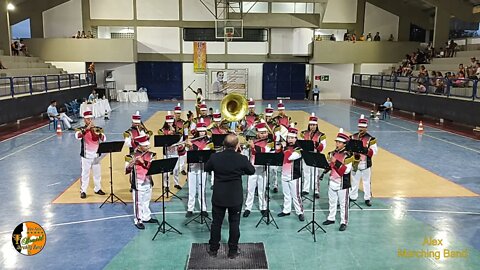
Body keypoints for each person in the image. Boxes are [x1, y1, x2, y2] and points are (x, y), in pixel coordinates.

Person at [205, 134, 255, 259]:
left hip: (219, 196)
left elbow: (207, 168)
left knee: (216, 223)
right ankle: (232, 251)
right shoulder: (241, 158)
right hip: (235, 197)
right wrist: (240, 170)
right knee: (234, 223)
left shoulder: (215, 157)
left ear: (223, 144)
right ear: (237, 145)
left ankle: (213, 249)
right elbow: (251, 171)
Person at [125, 132, 158, 229]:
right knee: (138, 202)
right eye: (145, 145)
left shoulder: (152, 155)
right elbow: (126, 170)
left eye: (147, 145)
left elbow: (153, 166)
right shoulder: (130, 156)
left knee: (146, 200)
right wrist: (131, 164)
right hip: (138, 183)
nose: (147, 146)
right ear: (139, 146)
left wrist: (143, 162)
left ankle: (146, 217)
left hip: (148, 181)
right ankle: (138, 220)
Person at [322, 128, 353, 231]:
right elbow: (330, 165)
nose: (337, 143)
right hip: (332, 181)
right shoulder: (333, 153)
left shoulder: (348, 155)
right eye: (337, 141)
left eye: (339, 142)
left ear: (344, 144)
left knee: (343, 204)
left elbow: (347, 171)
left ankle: (344, 222)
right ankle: (331, 218)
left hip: (342, 183)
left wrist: (335, 162)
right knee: (332, 201)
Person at [243, 121, 275, 218]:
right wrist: (246, 147)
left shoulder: (269, 143)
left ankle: (263, 207)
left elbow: (264, 151)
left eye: (265, 132)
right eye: (262, 133)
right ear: (257, 133)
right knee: (250, 189)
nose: (264, 134)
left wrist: (253, 146)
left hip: (262, 169)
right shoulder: (254, 141)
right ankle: (248, 207)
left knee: (262, 190)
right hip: (252, 169)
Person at [74, 110, 106, 199]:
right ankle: (83, 191)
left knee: (97, 173)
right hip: (86, 156)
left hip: (96, 156)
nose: (90, 121)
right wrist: (86, 129)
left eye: (91, 119)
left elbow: (104, 139)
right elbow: (77, 136)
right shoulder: (80, 129)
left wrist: (99, 134)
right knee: (85, 174)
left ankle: (98, 188)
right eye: (88, 119)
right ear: (84, 120)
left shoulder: (98, 128)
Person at [185, 119, 213, 217]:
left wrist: (193, 147)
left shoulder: (209, 141)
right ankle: (190, 208)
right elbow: (185, 153)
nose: (202, 132)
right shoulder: (192, 140)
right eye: (200, 131)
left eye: (203, 131)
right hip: (192, 168)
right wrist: (187, 146)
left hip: (202, 168)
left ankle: (203, 208)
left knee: (202, 189)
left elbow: (206, 152)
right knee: (191, 190)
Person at [276, 125, 305, 221]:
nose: (290, 140)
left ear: (296, 138)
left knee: (296, 195)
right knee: (286, 194)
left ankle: (300, 212)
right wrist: (279, 146)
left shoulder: (299, 149)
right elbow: (278, 155)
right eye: (288, 137)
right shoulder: (286, 147)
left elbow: (290, 157)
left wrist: (284, 148)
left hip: (294, 175)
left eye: (292, 138)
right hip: (284, 173)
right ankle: (286, 210)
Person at [350, 115, 378, 207]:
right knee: (354, 181)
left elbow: (374, 151)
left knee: (366, 181)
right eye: (360, 127)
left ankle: (367, 198)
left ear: (366, 127)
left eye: (363, 127)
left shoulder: (371, 139)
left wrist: (364, 149)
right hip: (355, 163)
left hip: (365, 164)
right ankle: (353, 196)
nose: (361, 128)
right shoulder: (353, 136)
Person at [300, 113, 326, 198]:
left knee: (315, 174)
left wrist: (316, 144)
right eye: (311, 125)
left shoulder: (321, 135)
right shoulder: (304, 133)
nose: (312, 126)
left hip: (315, 156)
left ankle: (316, 190)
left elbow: (323, 147)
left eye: (314, 125)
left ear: (317, 125)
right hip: (306, 155)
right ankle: (305, 189)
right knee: (306, 173)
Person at [158, 111, 185, 190]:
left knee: (176, 169)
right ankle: (166, 185)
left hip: (175, 152)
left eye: (171, 122)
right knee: (166, 171)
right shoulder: (161, 130)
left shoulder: (178, 130)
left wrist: (181, 144)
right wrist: (167, 134)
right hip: (166, 152)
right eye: (168, 122)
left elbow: (181, 139)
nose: (170, 124)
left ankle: (176, 183)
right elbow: (160, 139)